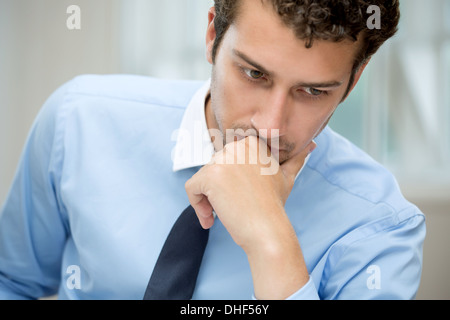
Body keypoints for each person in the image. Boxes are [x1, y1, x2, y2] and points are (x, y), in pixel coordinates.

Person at [0, 0, 425, 300]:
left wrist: (271, 241)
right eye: (254, 73)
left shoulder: (382, 226)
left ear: (354, 81)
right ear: (212, 35)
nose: (269, 126)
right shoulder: (79, 122)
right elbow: (11, 282)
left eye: (313, 91)